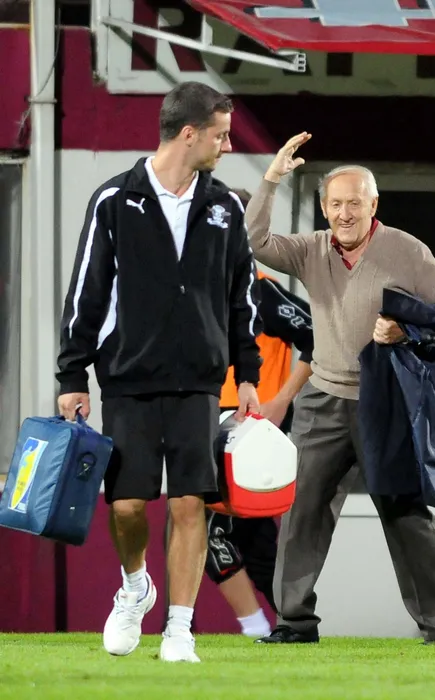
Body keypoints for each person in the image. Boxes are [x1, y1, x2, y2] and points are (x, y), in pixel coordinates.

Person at [55, 81, 262, 663]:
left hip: (200, 382)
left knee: (189, 505)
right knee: (126, 506)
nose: (227, 146)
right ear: (189, 133)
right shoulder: (113, 200)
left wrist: (247, 373)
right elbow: (86, 293)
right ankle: (135, 587)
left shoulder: (226, 207)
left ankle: (179, 628)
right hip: (128, 378)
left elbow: (241, 297)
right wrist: (72, 376)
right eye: (221, 135)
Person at [246, 133, 435, 645]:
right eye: (336, 204)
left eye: (354, 203)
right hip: (322, 399)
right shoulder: (310, 249)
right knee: (302, 514)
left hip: (384, 401)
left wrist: (405, 329)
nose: (344, 214)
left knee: (404, 512)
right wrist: (272, 177)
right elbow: (255, 241)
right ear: (324, 208)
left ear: (373, 205)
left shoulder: (407, 250)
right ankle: (294, 622)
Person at [204, 186, 316, 638]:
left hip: (250, 428)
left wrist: (282, 399)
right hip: (211, 422)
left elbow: (318, 336)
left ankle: (260, 626)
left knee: (209, 532)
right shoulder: (201, 289)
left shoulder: (261, 292)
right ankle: (292, 624)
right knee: (254, 539)